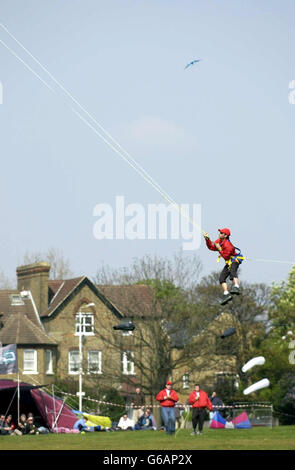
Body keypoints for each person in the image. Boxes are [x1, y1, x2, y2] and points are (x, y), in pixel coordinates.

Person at [204, 228, 243, 305]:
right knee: (222, 278)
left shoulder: (228, 245)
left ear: (225, 235)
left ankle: (236, 286)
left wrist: (219, 249)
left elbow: (226, 256)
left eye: (221, 233)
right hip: (228, 262)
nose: (219, 234)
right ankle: (226, 293)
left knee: (232, 272)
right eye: (220, 232)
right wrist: (207, 240)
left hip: (235, 260)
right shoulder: (219, 241)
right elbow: (211, 247)